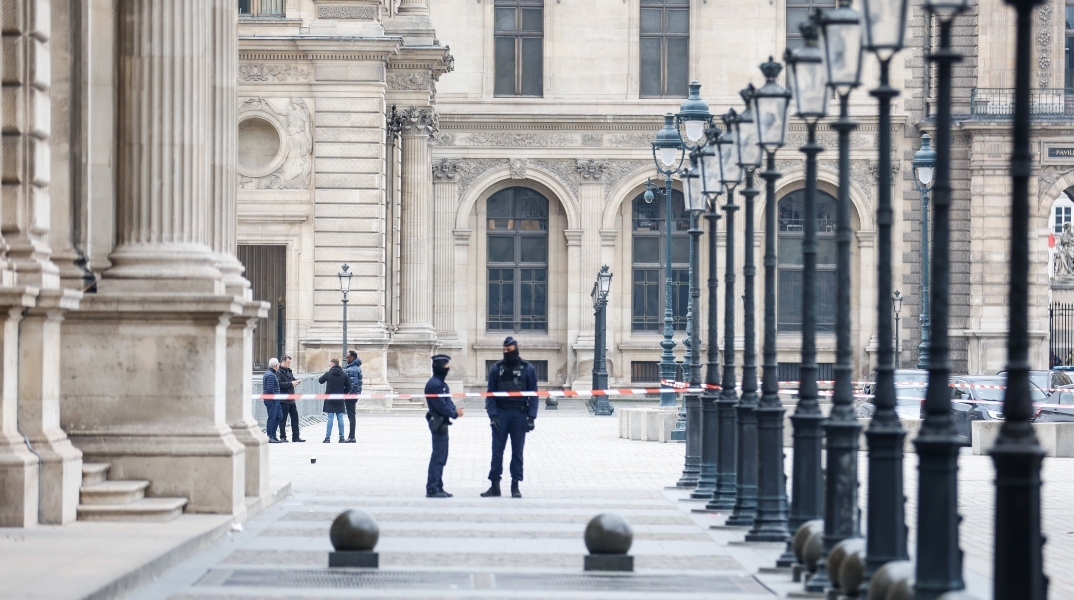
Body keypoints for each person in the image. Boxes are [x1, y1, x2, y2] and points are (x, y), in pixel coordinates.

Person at [481, 337, 538, 499]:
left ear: (516, 349)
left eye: (510, 350)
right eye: (505, 350)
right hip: (501, 414)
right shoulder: (496, 369)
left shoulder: (527, 369)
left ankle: (515, 485)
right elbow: (490, 395)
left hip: (519, 415)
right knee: (497, 452)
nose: (507, 353)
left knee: (517, 452)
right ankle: (494, 486)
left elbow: (533, 395)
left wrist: (531, 417)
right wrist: (492, 415)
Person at [426, 354, 463, 498]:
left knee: (442, 455)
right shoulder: (434, 384)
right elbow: (441, 405)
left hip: (442, 422)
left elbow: (448, 401)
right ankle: (432, 487)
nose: (448, 369)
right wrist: (454, 413)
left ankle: (438, 486)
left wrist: (454, 410)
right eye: (446, 366)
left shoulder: (440, 383)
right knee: (438, 456)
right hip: (438, 422)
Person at [318, 358, 351, 443]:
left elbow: (320, 381)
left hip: (330, 398)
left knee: (330, 417)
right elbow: (349, 386)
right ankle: (342, 437)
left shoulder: (328, 374)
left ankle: (327, 438)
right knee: (340, 417)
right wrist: (344, 393)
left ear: (332, 365)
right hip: (340, 397)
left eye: (330, 365)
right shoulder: (344, 374)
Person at [277, 356, 305, 442]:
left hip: (291, 398)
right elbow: (279, 384)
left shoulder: (289, 371)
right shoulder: (279, 372)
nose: (289, 364)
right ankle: (283, 437)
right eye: (288, 362)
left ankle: (296, 436)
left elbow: (292, 380)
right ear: (283, 362)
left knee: (295, 418)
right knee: (283, 419)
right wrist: (290, 383)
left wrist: (296, 381)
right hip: (283, 399)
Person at [343, 350, 364, 443]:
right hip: (353, 395)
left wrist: (348, 395)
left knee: (351, 416)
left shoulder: (352, 369)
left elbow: (354, 384)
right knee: (351, 416)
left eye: (347, 357)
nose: (346, 359)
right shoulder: (355, 367)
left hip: (351, 396)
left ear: (352, 358)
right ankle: (351, 436)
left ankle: (352, 436)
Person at [262, 358, 283, 444]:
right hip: (271, 400)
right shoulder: (270, 375)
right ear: (275, 365)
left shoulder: (272, 373)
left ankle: (273, 435)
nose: (279, 365)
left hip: (275, 400)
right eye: (278, 364)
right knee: (272, 418)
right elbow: (269, 389)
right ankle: (269, 436)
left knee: (279, 416)